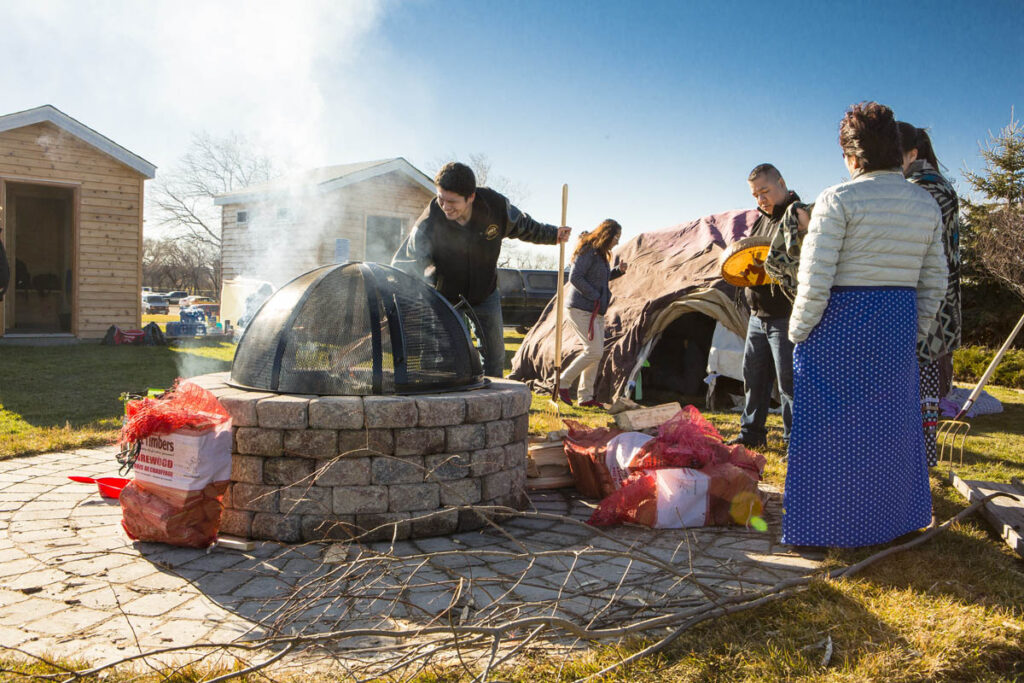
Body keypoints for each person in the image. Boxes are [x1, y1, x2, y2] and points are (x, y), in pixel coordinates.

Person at [783, 102, 947, 548]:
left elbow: (815, 279)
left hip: (838, 324)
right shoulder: (924, 203)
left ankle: (824, 528)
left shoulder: (837, 199)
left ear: (852, 157)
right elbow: (935, 281)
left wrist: (799, 332)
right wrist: (912, 331)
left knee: (829, 431)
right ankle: (891, 523)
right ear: (896, 151)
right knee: (888, 429)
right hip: (895, 321)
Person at [393, 162, 570, 377]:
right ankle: (450, 403)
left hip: (485, 293)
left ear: (471, 197)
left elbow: (524, 226)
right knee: (448, 357)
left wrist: (553, 235)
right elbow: (406, 265)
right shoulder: (429, 223)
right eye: (440, 198)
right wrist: (396, 297)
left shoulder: (495, 207)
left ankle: (493, 406)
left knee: (495, 356)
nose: (445, 206)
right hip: (445, 297)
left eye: (452, 201)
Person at [897, 121, 962, 468]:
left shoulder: (927, 190)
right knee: (915, 393)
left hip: (930, 311)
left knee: (918, 395)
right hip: (929, 307)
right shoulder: (924, 185)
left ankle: (917, 469)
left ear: (912, 153)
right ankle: (913, 467)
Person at [730, 163, 802, 448]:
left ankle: (794, 441)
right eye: (755, 194)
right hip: (758, 315)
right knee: (754, 377)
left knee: (789, 383)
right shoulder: (761, 219)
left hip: (786, 314)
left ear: (781, 183)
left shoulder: (798, 215)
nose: (760, 199)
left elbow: (798, 263)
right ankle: (751, 435)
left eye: (764, 191)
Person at [557, 219, 627, 406]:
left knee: (596, 353)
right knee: (593, 351)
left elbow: (598, 278)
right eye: (616, 237)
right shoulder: (587, 249)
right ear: (607, 234)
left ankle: (585, 397)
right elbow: (575, 277)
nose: (617, 241)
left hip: (596, 310)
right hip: (580, 308)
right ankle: (562, 382)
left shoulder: (600, 254)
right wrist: (595, 295)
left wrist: (617, 272)